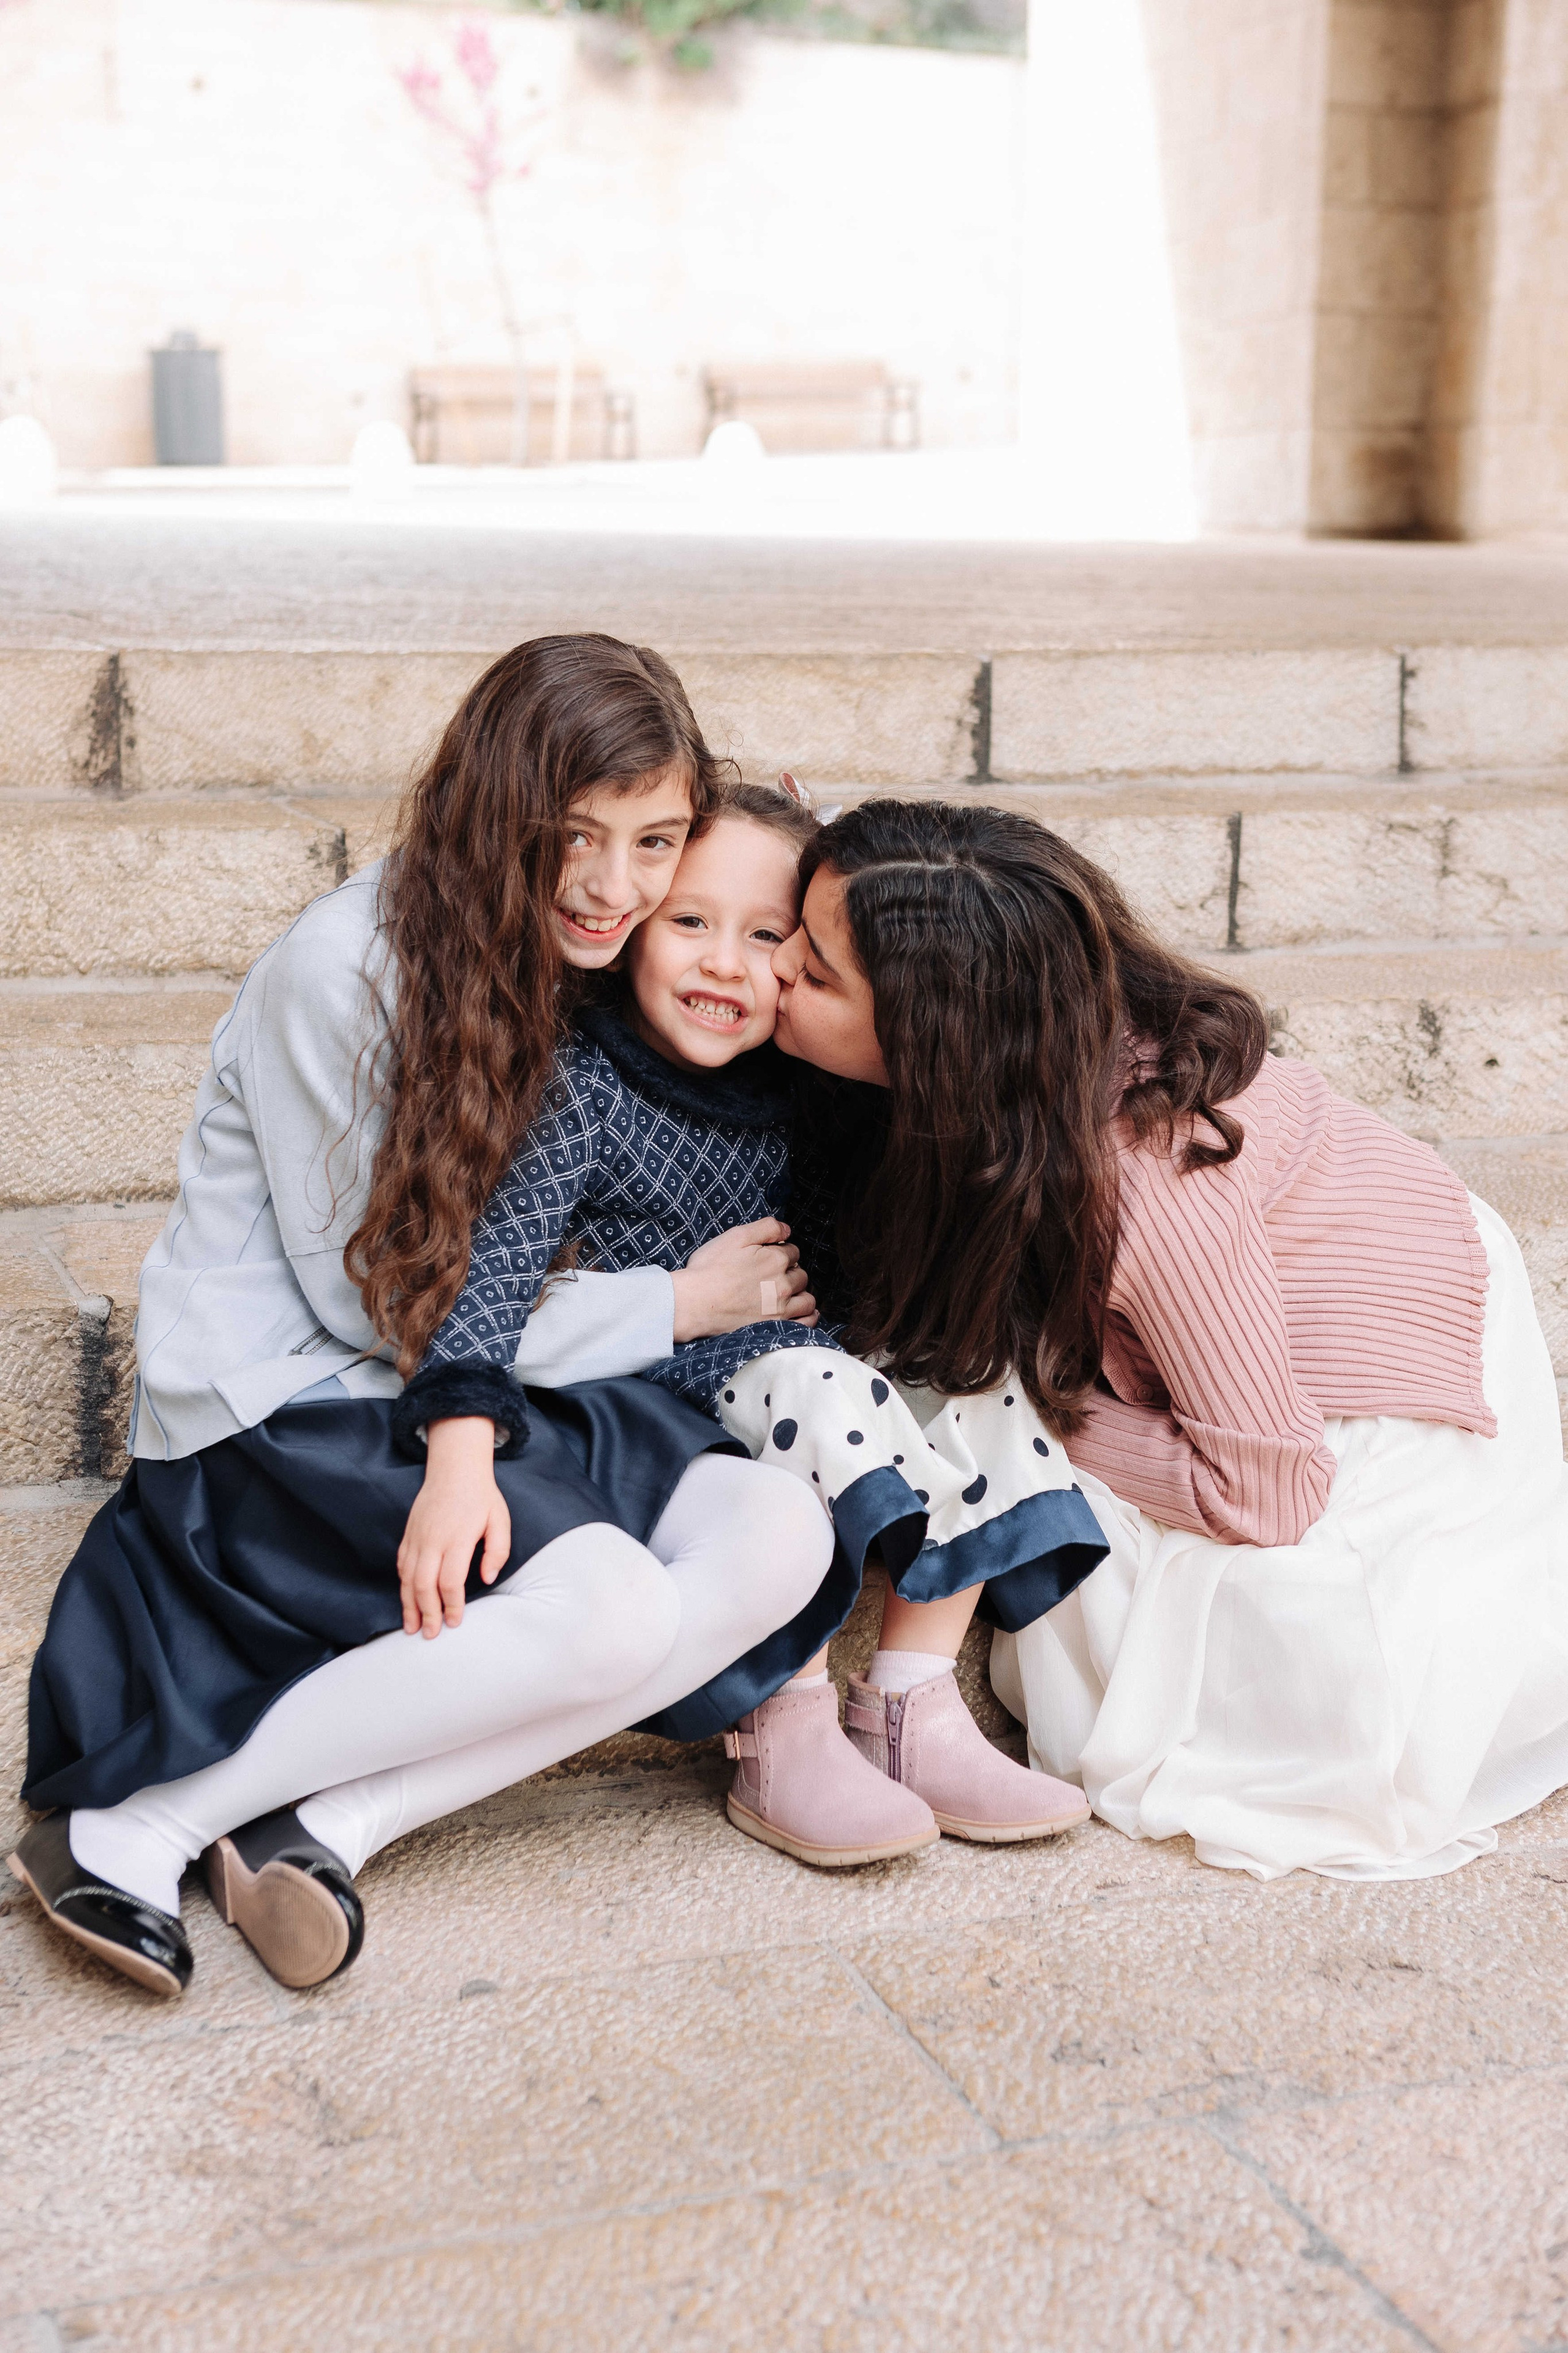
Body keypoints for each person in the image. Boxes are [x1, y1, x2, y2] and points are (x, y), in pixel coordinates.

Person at [10, 635, 832, 1999]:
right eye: (574, 836)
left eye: (654, 840)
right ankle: (129, 1823)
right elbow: (377, 1298)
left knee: (783, 1531)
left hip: (497, 1375)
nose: (615, 886)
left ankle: (325, 1822)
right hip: (299, 1398)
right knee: (616, 1608)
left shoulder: (586, 947)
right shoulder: (343, 972)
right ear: (495, 809)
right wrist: (674, 1304)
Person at [765, 795, 1568, 1882]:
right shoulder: (1011, 1057)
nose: (773, 973)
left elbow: (1270, 1490)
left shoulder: (1151, 1183)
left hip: (1379, 1358)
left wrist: (1055, 1404)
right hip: (1244, 1299)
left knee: (1163, 1609)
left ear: (931, 1037)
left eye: (814, 973)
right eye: (789, 940)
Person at [386, 780, 1103, 1873]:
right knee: (823, 1387)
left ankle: (911, 1700)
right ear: (629, 927)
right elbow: (486, 1275)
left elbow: (846, 1254)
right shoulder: (583, 1085)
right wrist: (459, 1442)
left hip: (790, 1365)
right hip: (652, 1399)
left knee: (966, 1372)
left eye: (770, 937)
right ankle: (783, 1713)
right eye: (689, 922)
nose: (727, 962)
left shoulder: (803, 1079)